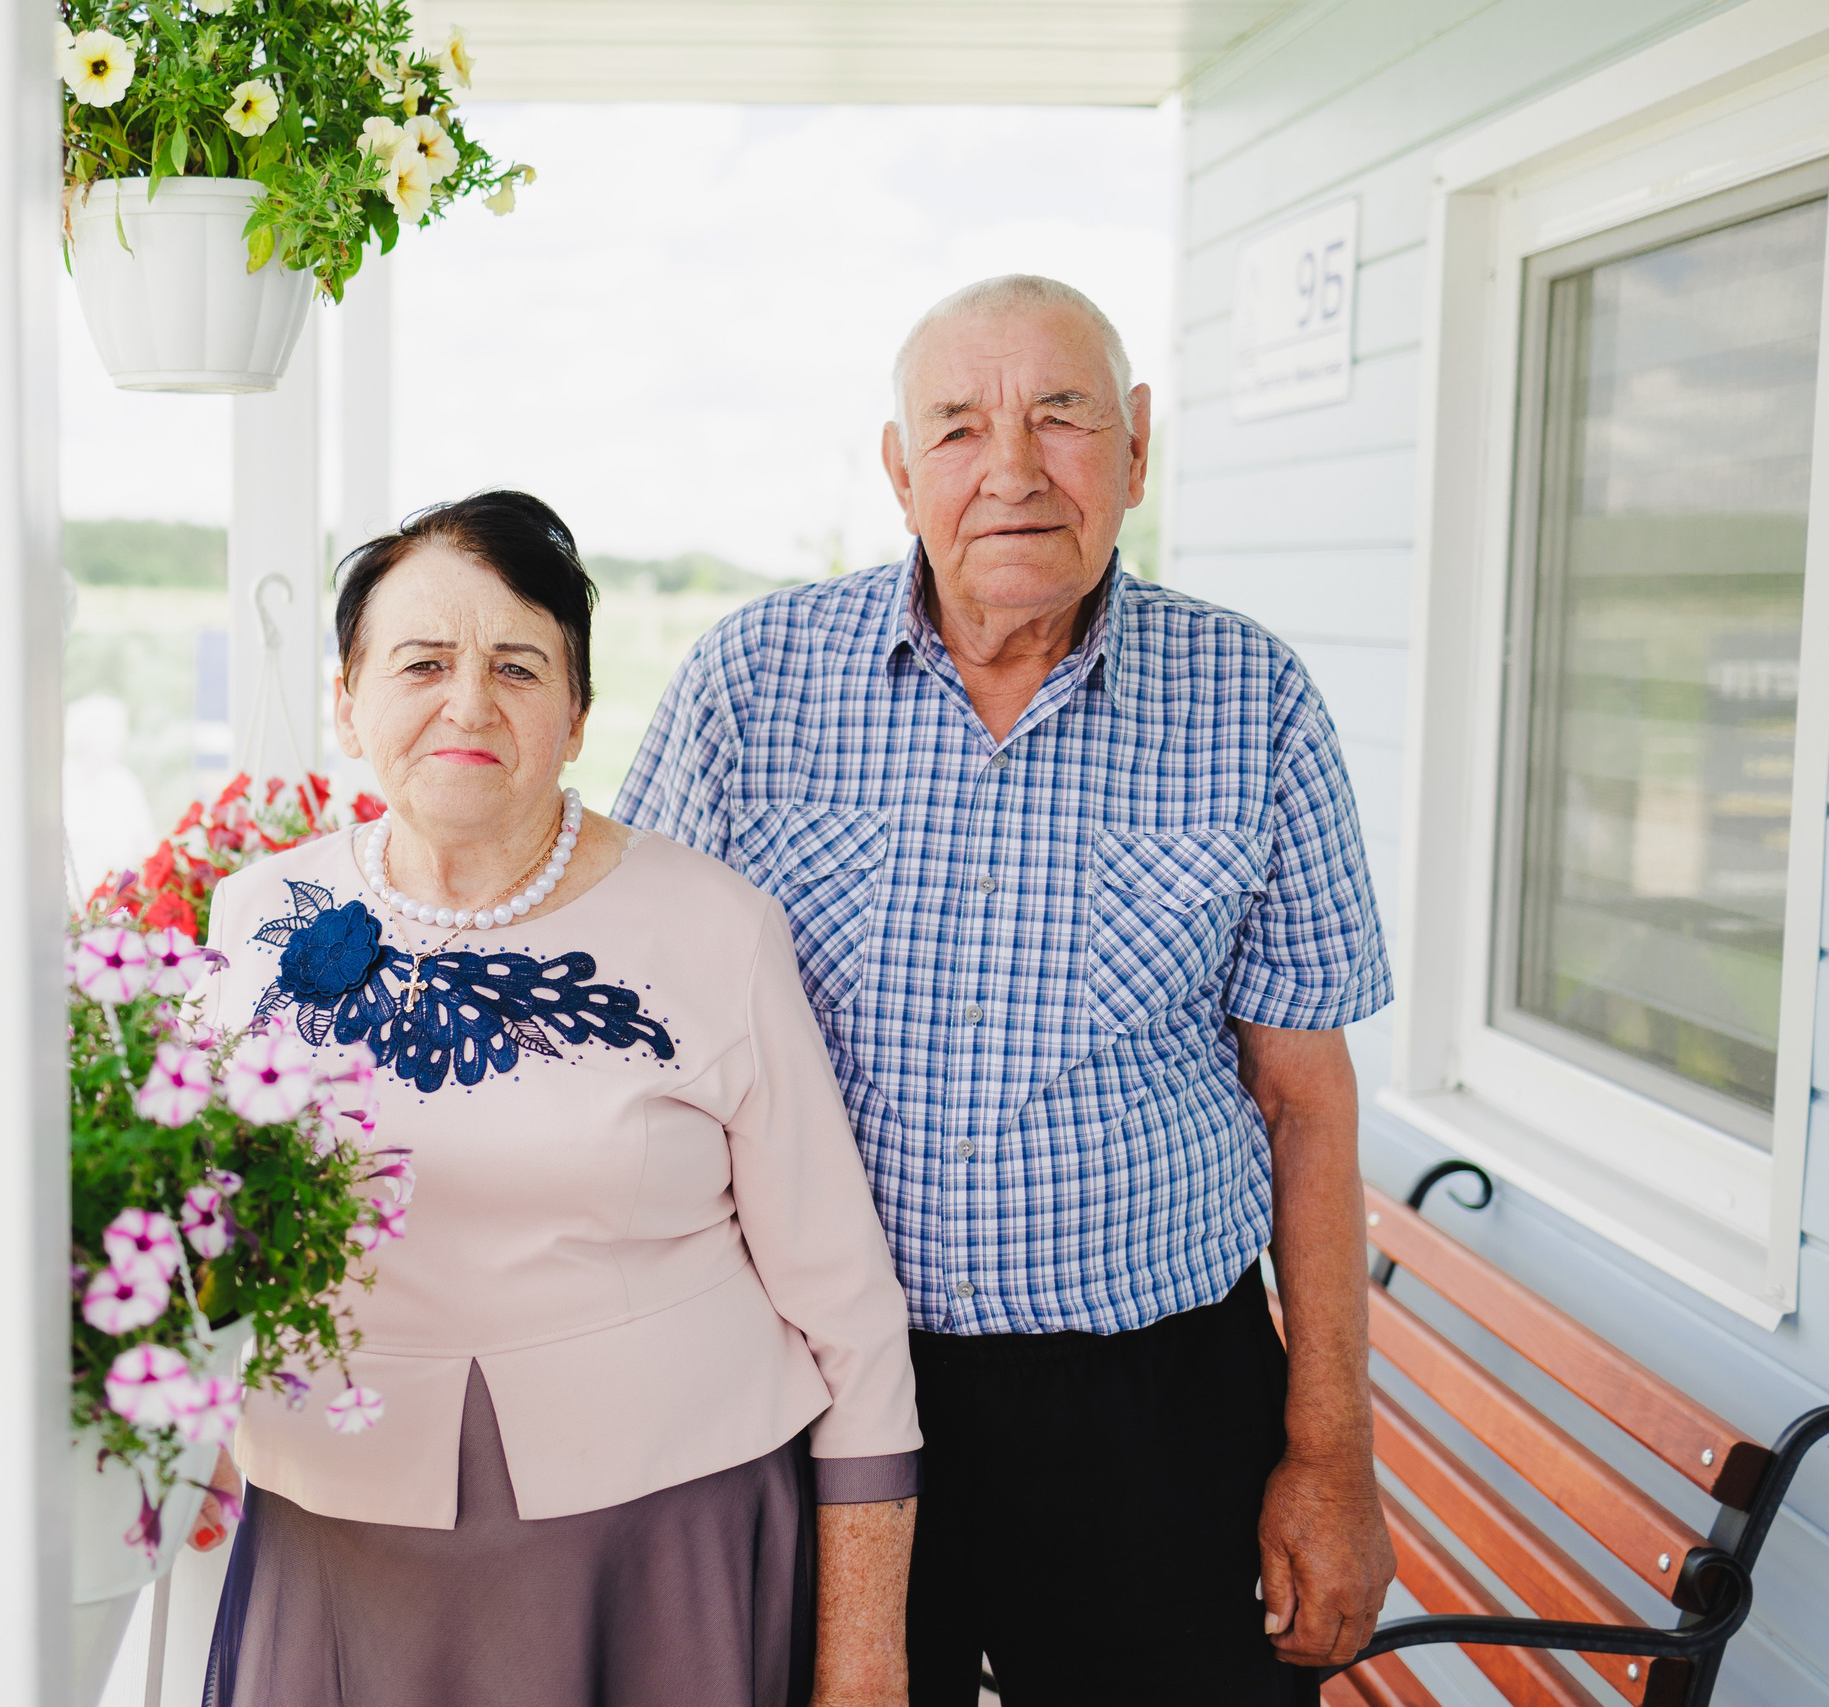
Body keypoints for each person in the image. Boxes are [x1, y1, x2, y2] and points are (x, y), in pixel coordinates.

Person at [614, 275, 1398, 1706]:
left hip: (1155, 1404)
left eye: (1062, 415)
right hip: (826, 1392)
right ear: (901, 468)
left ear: (1140, 446)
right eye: (962, 429)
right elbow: (631, 1041)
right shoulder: (754, 681)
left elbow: (1307, 1103)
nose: (1017, 471)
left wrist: (1333, 1448)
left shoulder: (1254, 699)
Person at [193, 489, 923, 1707]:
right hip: (333, 1551)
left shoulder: (716, 928)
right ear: (348, 698)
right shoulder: (255, 919)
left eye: (518, 667)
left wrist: (862, 1660)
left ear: (577, 714)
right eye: (421, 661)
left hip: (660, 1560)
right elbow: (199, 1239)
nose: (467, 703)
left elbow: (847, 1308)